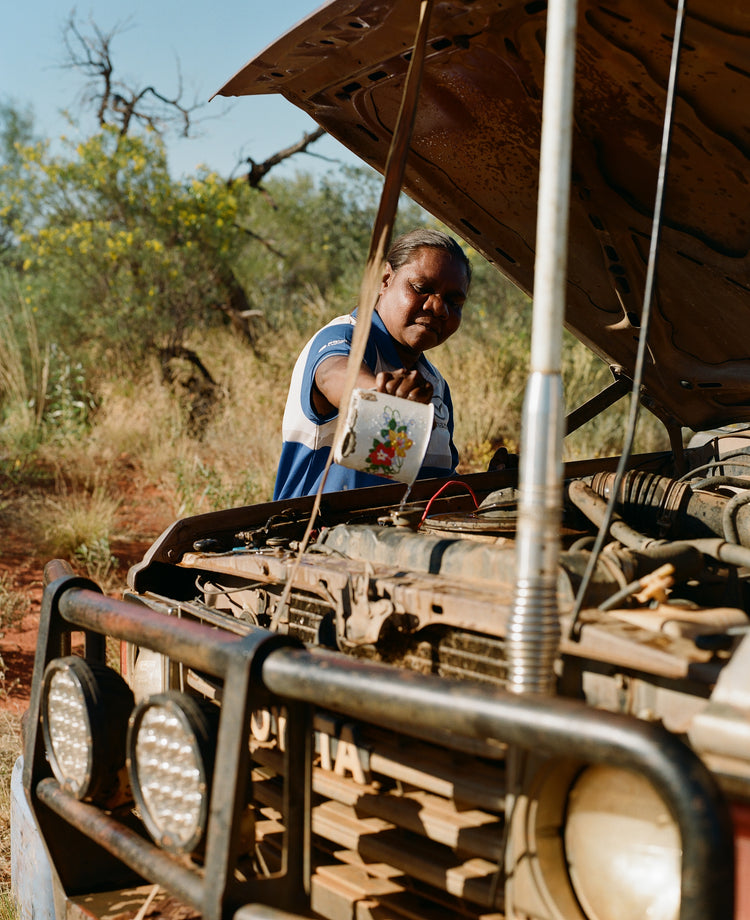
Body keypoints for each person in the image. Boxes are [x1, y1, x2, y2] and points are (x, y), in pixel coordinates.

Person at [273, 228, 471, 499]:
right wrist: (378, 396)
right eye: (422, 289)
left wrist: (495, 480)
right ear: (385, 279)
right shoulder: (344, 337)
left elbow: (433, 484)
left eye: (454, 301)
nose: (438, 308)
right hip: (317, 536)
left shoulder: (434, 383)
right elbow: (335, 375)